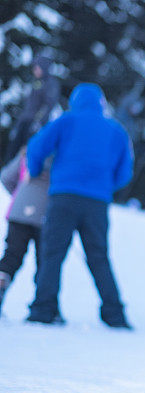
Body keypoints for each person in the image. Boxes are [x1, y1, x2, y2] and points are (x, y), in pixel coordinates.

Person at [25, 83, 133, 328]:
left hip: (63, 197)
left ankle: (43, 310)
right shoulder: (116, 130)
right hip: (97, 203)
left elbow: (36, 147)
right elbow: (125, 172)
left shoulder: (66, 121)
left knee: (52, 255)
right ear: (101, 103)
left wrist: (34, 170)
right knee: (98, 257)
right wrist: (104, 186)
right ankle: (114, 315)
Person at [0, 148, 50, 315]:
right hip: (46, 213)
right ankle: (44, 307)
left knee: (12, 256)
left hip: (19, 210)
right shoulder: (65, 153)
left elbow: (6, 177)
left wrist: (21, 194)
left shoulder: (28, 151)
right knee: (45, 261)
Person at [3, 53, 61, 164]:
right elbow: (29, 106)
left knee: (27, 152)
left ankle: (21, 177)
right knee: (13, 150)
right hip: (25, 121)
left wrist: (38, 122)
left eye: (37, 67)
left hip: (34, 124)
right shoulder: (36, 82)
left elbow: (48, 105)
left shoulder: (50, 83)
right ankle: (5, 176)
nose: (35, 70)